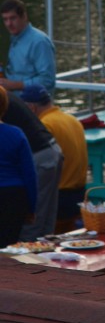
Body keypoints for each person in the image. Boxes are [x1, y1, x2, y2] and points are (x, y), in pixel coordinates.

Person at [20, 85, 87, 231]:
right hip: (80, 194)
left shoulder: (43, 126)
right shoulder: (72, 119)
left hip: (60, 198)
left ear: (31, 107)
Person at [3, 91, 63, 239]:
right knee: (46, 221)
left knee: (32, 223)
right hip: (51, 150)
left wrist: (30, 208)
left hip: (39, 155)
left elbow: (28, 174)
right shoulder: (5, 95)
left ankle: (28, 260)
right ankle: (47, 258)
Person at [0, 87, 38, 247]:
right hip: (14, 197)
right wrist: (31, 208)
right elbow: (29, 175)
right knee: (9, 246)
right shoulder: (16, 134)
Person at [0, 0, 57, 95]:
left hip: (33, 106)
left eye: (13, 18)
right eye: (5, 19)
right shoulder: (12, 39)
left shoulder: (39, 42)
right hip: (12, 102)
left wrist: (15, 85)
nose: (9, 24)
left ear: (24, 16)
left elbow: (48, 80)